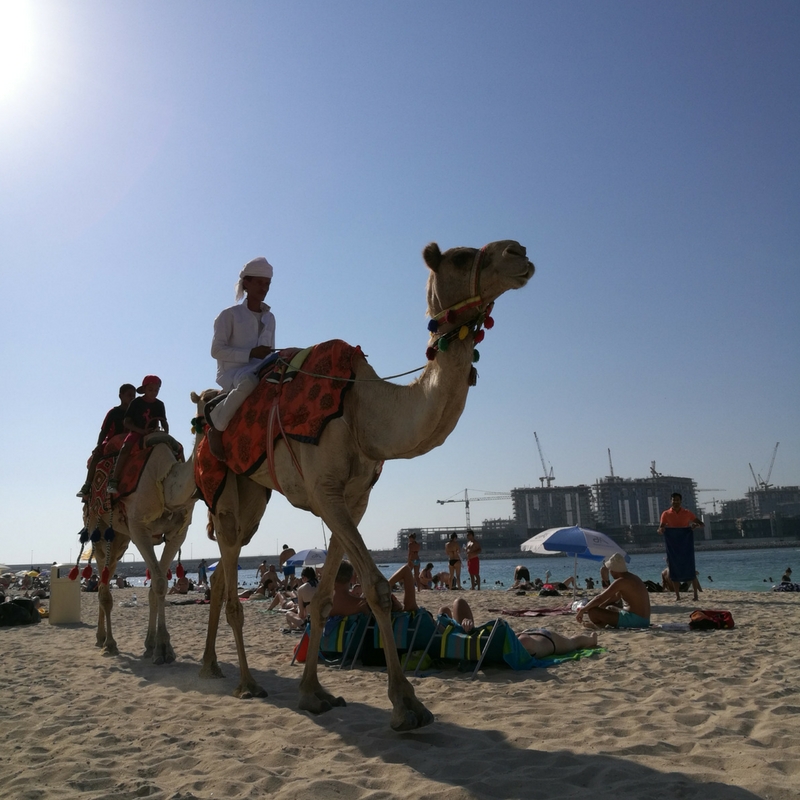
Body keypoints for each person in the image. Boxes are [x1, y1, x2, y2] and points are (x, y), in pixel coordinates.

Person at [206, 256, 276, 459]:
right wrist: (251, 354)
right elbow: (216, 351)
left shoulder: (270, 318)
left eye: (267, 284)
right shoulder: (228, 315)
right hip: (232, 373)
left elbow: (269, 350)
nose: (264, 288)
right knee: (249, 382)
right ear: (247, 283)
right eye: (260, 283)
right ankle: (217, 429)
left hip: (262, 368)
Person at [440, 597, 597, 657]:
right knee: (570, 643)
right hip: (536, 640)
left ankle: (590, 640)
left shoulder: (453, 644)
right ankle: (590, 640)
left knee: (569, 642)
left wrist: (465, 624)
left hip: (527, 639)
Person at [107, 376, 168, 495]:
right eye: (151, 389)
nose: (154, 392)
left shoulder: (160, 404)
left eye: (156, 390)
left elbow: (164, 421)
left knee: (176, 447)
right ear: (144, 389)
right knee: (125, 448)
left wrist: (166, 432)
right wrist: (140, 431)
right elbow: (127, 422)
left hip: (154, 433)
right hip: (137, 432)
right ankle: (113, 480)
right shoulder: (136, 403)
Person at [77, 383, 136, 497]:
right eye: (129, 395)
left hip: (129, 441)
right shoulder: (113, 413)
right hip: (112, 442)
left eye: (134, 396)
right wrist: (99, 445)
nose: (132, 398)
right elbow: (104, 430)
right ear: (121, 396)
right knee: (96, 456)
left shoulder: (135, 413)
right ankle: (87, 485)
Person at [576, 553, 650, 629]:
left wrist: (583, 610)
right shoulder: (633, 577)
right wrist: (601, 606)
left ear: (614, 570)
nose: (610, 572)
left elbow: (600, 598)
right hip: (644, 620)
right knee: (610, 608)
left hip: (635, 621)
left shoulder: (621, 581)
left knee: (592, 611)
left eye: (610, 569)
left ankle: (599, 626)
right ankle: (602, 625)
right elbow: (615, 596)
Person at [657, 492, 704, 601]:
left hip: (685, 543)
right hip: (672, 545)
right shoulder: (666, 514)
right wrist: (662, 530)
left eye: (678, 500)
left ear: (681, 501)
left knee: (690, 567)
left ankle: (696, 596)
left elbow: (701, 524)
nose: (676, 502)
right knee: (674, 569)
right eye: (674, 500)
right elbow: (660, 530)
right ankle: (678, 596)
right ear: (671, 501)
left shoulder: (687, 513)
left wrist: (694, 525)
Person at [330, 562, 418, 616]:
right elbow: (406, 569)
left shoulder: (324, 604)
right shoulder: (360, 605)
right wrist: (384, 586)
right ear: (352, 578)